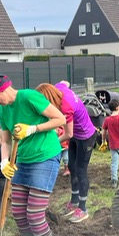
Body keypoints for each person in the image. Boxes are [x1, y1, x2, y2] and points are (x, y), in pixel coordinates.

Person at [0, 69, 65, 236]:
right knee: (19, 212)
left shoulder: (28, 97)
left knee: (35, 215)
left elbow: (60, 119)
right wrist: (3, 162)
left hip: (45, 157)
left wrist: (33, 129)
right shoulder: (4, 110)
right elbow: (7, 139)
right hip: (24, 161)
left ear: (2, 88)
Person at [37, 81, 98, 223]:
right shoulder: (59, 88)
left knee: (81, 170)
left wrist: (50, 143)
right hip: (76, 136)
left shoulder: (66, 107)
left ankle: (83, 209)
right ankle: (74, 201)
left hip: (85, 137)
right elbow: (66, 82)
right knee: (71, 166)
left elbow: (68, 134)